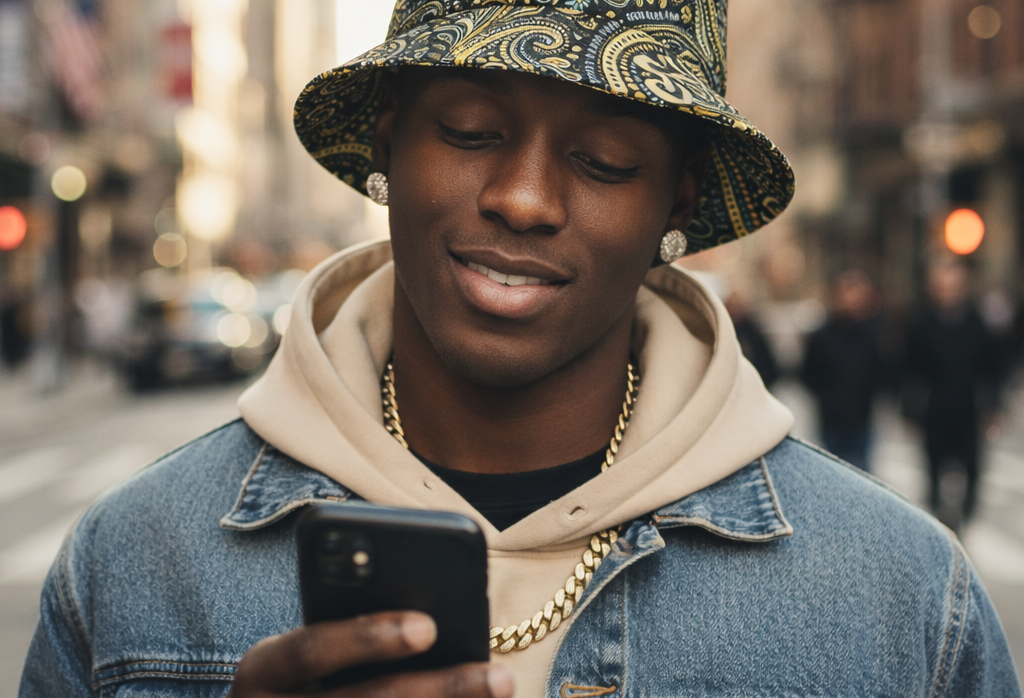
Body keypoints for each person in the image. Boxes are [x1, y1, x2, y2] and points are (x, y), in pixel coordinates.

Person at [21, 2, 1020, 697]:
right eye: (467, 129)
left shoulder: (900, 598)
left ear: (675, 199)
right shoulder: (136, 563)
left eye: (603, 160)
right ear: (386, 142)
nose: (526, 197)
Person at [907, 260, 998, 531]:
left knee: (972, 469)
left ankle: (964, 520)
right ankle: (940, 523)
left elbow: (992, 368)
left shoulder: (977, 323)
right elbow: (911, 369)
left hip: (968, 407)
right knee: (934, 470)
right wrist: (910, 411)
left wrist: (993, 407)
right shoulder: (921, 325)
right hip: (935, 408)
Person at [801, 270, 882, 470]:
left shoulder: (870, 336)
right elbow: (809, 373)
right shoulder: (822, 336)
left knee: (863, 476)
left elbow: (880, 371)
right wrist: (827, 399)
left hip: (861, 417)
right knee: (832, 472)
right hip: (832, 420)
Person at [725, 289, 779, 388]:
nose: (735, 309)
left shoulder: (753, 331)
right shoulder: (724, 331)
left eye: (738, 306)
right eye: (732, 305)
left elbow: (766, 362)